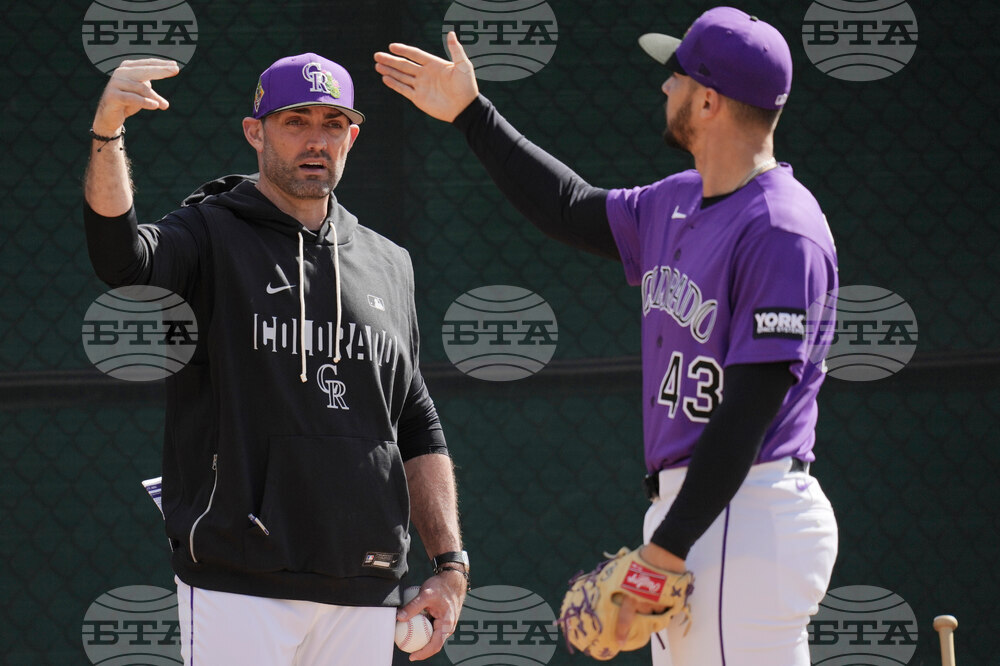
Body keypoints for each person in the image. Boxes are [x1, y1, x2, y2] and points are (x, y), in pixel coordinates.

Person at [375, 7, 838, 665]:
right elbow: (569, 206)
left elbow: (748, 416)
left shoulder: (780, 229)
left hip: (747, 508)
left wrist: (663, 553)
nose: (664, 88)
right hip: (700, 512)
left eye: (675, 78)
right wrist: (472, 113)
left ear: (708, 100)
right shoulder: (680, 200)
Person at [83, 54, 468, 664]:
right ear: (254, 131)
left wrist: (450, 564)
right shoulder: (209, 232)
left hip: (362, 583)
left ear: (353, 136)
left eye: (333, 123)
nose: (316, 139)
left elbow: (415, 422)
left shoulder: (389, 262)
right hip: (240, 576)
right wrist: (108, 132)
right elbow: (122, 262)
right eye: (294, 121)